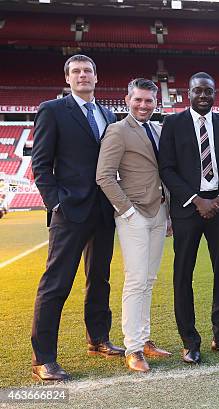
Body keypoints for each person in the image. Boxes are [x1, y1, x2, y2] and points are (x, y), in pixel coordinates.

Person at [30, 54, 122, 381]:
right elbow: (40, 164)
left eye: (88, 71)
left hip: (103, 210)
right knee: (56, 284)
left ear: (97, 78)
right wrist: (55, 203)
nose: (83, 75)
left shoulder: (108, 114)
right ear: (67, 78)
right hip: (70, 211)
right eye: (76, 71)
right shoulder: (52, 110)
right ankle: (43, 358)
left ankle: (98, 339)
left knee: (99, 279)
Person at [159, 72, 219, 363]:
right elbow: (167, 168)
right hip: (187, 209)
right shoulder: (173, 124)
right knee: (183, 275)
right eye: (198, 91)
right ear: (189, 93)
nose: (204, 96)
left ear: (214, 94)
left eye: (209, 91)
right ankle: (190, 342)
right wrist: (196, 200)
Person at [96, 78, 172, 372]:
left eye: (149, 100)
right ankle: (133, 347)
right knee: (136, 279)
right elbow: (104, 176)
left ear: (156, 102)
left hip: (159, 210)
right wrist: (127, 211)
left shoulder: (157, 129)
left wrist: (168, 213)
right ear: (127, 100)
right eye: (138, 100)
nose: (143, 105)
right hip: (135, 214)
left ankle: (145, 339)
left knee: (149, 280)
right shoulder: (116, 130)